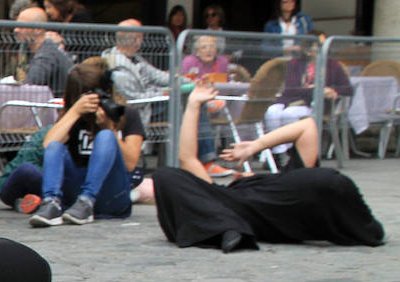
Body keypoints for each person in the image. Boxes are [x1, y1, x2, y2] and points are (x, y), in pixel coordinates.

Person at [152, 81, 383, 252]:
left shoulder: (285, 179)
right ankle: (227, 230)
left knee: (337, 193)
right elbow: (188, 159)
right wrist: (193, 104)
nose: (241, 174)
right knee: (164, 175)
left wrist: (255, 146)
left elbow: (307, 127)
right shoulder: (220, 197)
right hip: (283, 212)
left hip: (319, 191)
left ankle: (367, 229)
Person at [26, 60, 138, 227]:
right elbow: (48, 145)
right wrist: (74, 112)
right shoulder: (72, 115)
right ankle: (51, 203)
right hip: (73, 199)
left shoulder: (125, 113)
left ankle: (87, 201)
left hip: (111, 196)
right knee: (56, 146)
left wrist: (110, 127)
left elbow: (130, 164)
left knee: (106, 136)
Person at [263, 34, 352, 149]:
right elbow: (291, 88)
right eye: (313, 48)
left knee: (288, 114)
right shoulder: (294, 63)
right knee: (271, 112)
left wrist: (333, 91)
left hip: (312, 103)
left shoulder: (332, 65)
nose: (315, 51)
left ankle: (290, 151)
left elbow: (348, 89)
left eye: (319, 47)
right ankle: (278, 152)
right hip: (289, 99)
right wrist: (316, 89)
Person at [101, 19, 169, 101]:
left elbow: (158, 76)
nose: (142, 40)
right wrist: (160, 94)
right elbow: (134, 99)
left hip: (146, 107)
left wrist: (186, 80)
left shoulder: (136, 58)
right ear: (136, 40)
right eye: (141, 36)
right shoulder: (116, 69)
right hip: (132, 111)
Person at [13, 6, 72, 92]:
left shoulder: (46, 55)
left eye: (22, 26)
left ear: (38, 29)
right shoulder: (45, 49)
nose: (16, 30)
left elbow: (30, 87)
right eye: (16, 25)